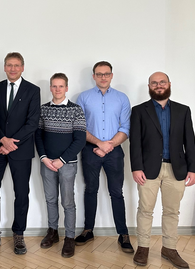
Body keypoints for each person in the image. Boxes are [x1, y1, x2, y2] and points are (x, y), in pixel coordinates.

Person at [130, 72, 195, 268]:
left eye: (162, 82)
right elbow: (135, 143)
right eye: (154, 83)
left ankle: (169, 248)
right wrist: (136, 168)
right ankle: (143, 247)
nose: (158, 86)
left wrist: (193, 168)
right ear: (149, 86)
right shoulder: (139, 110)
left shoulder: (183, 110)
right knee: (145, 210)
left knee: (171, 211)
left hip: (177, 168)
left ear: (168, 84)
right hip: (148, 169)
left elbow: (190, 142)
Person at [0, 52, 41, 254]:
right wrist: (2, 139)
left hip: (20, 149)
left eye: (16, 65)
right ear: (4, 67)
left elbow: (32, 122)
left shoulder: (33, 90)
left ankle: (19, 234)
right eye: (9, 65)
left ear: (23, 67)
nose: (13, 68)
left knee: (21, 193)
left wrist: (10, 142)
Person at [75, 61, 134, 253]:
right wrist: (99, 144)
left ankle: (123, 234)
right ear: (93, 76)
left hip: (114, 151)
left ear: (111, 75)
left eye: (106, 74)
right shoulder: (83, 98)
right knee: (90, 190)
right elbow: (79, 127)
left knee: (116, 192)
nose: (103, 77)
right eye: (99, 74)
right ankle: (88, 230)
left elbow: (125, 128)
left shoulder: (122, 98)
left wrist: (108, 146)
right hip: (90, 150)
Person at [35, 73, 86, 258]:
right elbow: (38, 136)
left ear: (66, 88)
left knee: (67, 202)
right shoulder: (43, 109)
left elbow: (80, 140)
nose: (57, 89)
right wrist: (44, 158)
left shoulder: (76, 110)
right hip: (47, 163)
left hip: (67, 165)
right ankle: (53, 232)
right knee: (50, 199)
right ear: (50, 88)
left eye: (61, 86)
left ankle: (69, 238)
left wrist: (61, 160)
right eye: (54, 86)